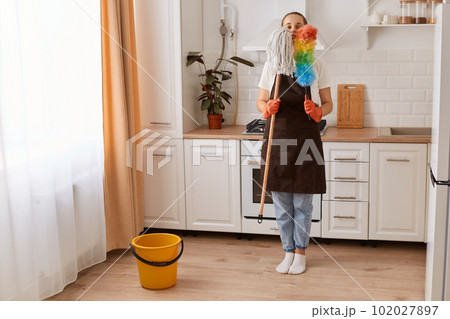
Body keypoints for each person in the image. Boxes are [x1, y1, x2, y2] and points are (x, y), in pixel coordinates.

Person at [256, 12, 333, 275]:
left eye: (298, 25)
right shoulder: (272, 66)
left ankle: (300, 253)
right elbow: (259, 102)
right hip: (277, 138)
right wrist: (267, 108)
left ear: (306, 30)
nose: (292, 29)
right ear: (281, 31)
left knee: (302, 203)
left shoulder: (315, 64)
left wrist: (317, 112)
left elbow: (329, 104)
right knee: (281, 205)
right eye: (287, 26)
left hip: (306, 140)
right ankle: (287, 252)